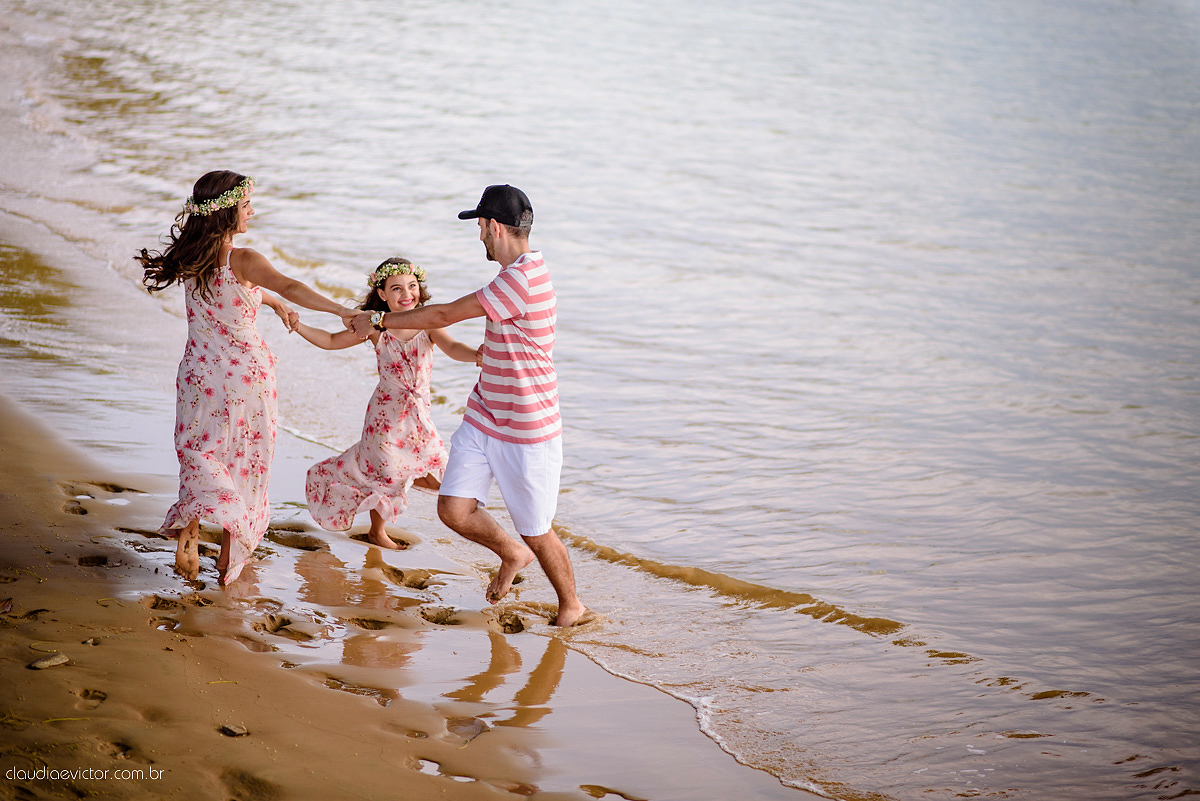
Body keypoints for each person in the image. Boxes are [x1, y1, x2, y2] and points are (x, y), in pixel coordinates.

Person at [347, 185, 585, 626]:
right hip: (484, 413)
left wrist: (379, 318)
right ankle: (510, 553)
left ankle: (571, 604)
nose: (479, 237)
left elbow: (442, 317)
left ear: (494, 227)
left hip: (526, 426)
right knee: (453, 508)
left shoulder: (523, 278)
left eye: (480, 228)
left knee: (537, 529)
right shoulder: (516, 273)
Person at [138, 170, 353, 585]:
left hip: (199, 373)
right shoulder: (245, 258)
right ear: (225, 212)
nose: (252, 211)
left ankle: (191, 522)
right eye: (246, 205)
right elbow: (289, 284)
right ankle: (230, 547)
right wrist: (339, 311)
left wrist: (270, 302)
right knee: (248, 463)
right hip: (244, 379)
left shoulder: (191, 258)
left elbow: (241, 289)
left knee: (200, 451)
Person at [295, 257, 481, 549]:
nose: (406, 294)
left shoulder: (428, 324)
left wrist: (475, 355)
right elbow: (332, 340)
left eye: (411, 286)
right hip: (384, 417)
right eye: (396, 288)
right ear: (382, 294)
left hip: (419, 416)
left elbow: (453, 347)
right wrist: (298, 325)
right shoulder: (376, 328)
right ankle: (377, 532)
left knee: (439, 475)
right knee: (386, 474)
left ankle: (453, 511)